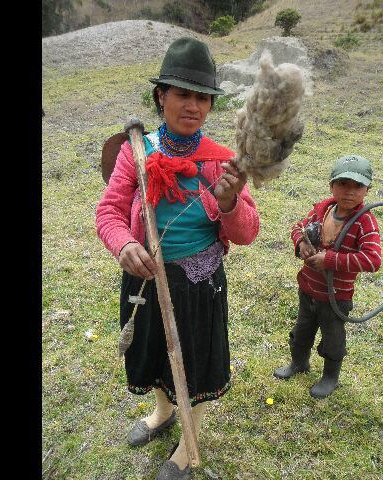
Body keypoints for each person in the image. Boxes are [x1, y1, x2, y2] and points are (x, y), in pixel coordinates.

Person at [95, 37, 260, 480]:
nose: (193, 106)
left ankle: (188, 444)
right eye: (183, 94)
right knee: (155, 353)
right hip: (145, 277)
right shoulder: (137, 150)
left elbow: (246, 233)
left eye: (202, 97)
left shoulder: (222, 163)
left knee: (195, 361)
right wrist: (123, 245)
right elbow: (109, 211)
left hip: (198, 282)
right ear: (160, 97)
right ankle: (163, 413)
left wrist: (229, 204)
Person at [273, 155, 382, 399]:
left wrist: (330, 260)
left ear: (368, 190)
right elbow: (297, 227)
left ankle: (331, 377)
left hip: (336, 298)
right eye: (343, 184)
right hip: (308, 289)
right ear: (331, 185)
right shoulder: (322, 209)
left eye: (357, 186)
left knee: (333, 339)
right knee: (301, 331)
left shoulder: (365, 222)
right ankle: (299, 363)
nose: (349, 192)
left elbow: (372, 259)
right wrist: (301, 242)